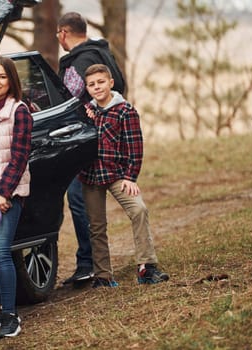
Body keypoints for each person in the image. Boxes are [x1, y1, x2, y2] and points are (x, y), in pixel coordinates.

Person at [81, 63, 169, 288]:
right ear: (87, 88)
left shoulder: (125, 111)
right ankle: (103, 276)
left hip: (118, 174)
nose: (97, 87)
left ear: (110, 83)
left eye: (101, 82)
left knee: (138, 210)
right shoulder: (85, 111)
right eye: (91, 84)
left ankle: (146, 267)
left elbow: (135, 147)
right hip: (91, 176)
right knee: (96, 226)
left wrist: (131, 177)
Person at [56, 11, 126, 284]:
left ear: (63, 33)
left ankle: (89, 263)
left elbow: (67, 99)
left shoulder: (78, 63)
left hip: (87, 140)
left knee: (79, 198)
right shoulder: (103, 53)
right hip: (110, 137)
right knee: (95, 199)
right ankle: (94, 262)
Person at [0, 56, 33, 338]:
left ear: (11, 80)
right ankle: (3, 307)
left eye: (2, 77)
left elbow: (19, 156)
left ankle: (11, 316)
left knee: (0, 251)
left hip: (10, 194)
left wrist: (3, 192)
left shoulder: (19, 111)